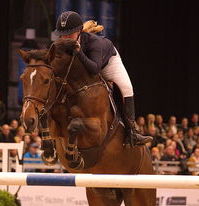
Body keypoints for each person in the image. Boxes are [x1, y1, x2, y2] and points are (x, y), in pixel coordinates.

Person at [54, 11, 152, 146]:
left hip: (107, 64)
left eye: (69, 34)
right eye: (63, 34)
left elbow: (94, 70)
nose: (65, 37)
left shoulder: (95, 43)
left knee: (127, 88)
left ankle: (132, 133)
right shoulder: (62, 42)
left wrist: (79, 52)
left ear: (80, 31)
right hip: (87, 66)